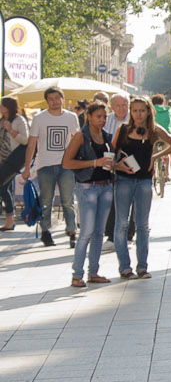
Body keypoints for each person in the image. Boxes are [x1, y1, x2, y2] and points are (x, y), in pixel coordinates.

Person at [110, 98, 171, 279]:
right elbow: (111, 155)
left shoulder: (154, 130)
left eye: (142, 110)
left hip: (144, 181)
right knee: (121, 224)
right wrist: (118, 166)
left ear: (148, 111)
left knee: (142, 225)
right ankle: (125, 267)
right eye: (134, 111)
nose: (138, 114)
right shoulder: (123, 130)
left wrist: (155, 156)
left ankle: (142, 267)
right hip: (124, 180)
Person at [63, 103, 118, 287]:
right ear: (89, 116)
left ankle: (93, 272)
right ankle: (76, 274)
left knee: (98, 233)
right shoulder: (81, 136)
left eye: (104, 117)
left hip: (106, 186)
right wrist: (95, 162)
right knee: (86, 232)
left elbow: (109, 159)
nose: (102, 120)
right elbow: (67, 163)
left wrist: (114, 165)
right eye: (99, 116)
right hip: (87, 187)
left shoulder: (106, 136)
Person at [28, 87, 81, 247]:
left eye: (57, 98)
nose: (54, 101)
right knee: (46, 200)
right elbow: (32, 143)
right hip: (45, 164)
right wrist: (26, 166)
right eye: (50, 99)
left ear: (62, 98)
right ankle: (45, 231)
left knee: (68, 200)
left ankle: (72, 232)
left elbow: (76, 139)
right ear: (46, 101)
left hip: (66, 164)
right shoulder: (39, 118)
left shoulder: (71, 117)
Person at [0, 98, 27, 231]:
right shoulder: (1, 120)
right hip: (2, 160)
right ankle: (9, 220)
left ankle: (10, 219)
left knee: (2, 187)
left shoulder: (18, 120)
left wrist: (10, 130)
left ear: (8, 107)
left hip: (13, 159)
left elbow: (25, 139)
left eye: (2, 105)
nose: (0, 107)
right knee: (6, 187)